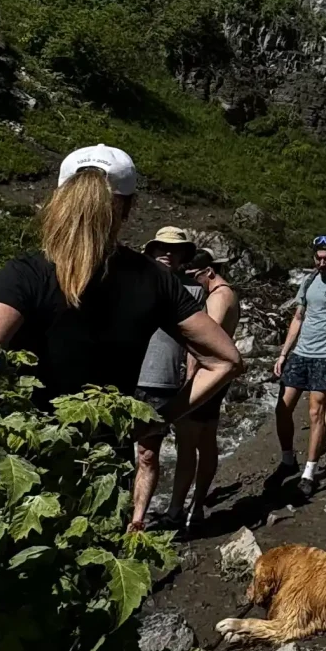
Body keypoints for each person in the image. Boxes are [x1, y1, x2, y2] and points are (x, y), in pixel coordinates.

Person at [0, 147, 239, 530]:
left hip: (24, 463)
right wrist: (155, 420)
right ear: (128, 207)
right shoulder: (154, 279)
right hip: (103, 469)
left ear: (60, 198)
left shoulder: (25, 274)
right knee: (99, 569)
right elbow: (227, 360)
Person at [137, 227, 238, 536]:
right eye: (162, 248)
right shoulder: (135, 283)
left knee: (183, 445)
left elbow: (207, 343)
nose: (168, 253)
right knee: (158, 449)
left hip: (179, 381)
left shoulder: (196, 292)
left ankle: (179, 510)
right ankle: (174, 510)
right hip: (141, 377)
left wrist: (192, 377)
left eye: (175, 249)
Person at [271, 235, 326, 488]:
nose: (322, 262)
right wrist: (284, 352)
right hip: (301, 353)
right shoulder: (308, 280)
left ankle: (309, 471)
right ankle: (287, 460)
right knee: (282, 408)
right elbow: (298, 317)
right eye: (318, 257)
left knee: (316, 412)